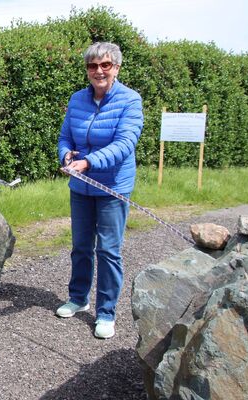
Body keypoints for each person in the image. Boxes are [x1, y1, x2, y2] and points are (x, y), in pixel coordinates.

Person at [56, 42, 143, 339]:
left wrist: (88, 162)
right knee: (81, 246)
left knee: (107, 250)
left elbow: (124, 144)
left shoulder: (130, 100)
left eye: (105, 65)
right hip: (80, 186)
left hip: (112, 188)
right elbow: (65, 136)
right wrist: (66, 156)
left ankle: (106, 312)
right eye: (93, 66)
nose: (99, 71)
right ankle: (78, 298)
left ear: (116, 68)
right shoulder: (77, 99)